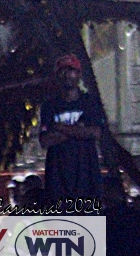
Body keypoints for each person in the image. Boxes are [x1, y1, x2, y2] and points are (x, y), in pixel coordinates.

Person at [39, 54, 106, 204]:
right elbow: (45, 140)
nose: (67, 75)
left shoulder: (89, 102)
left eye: (71, 70)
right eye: (63, 71)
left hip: (86, 178)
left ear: (79, 74)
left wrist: (60, 128)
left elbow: (95, 132)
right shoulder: (49, 106)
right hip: (58, 181)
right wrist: (78, 130)